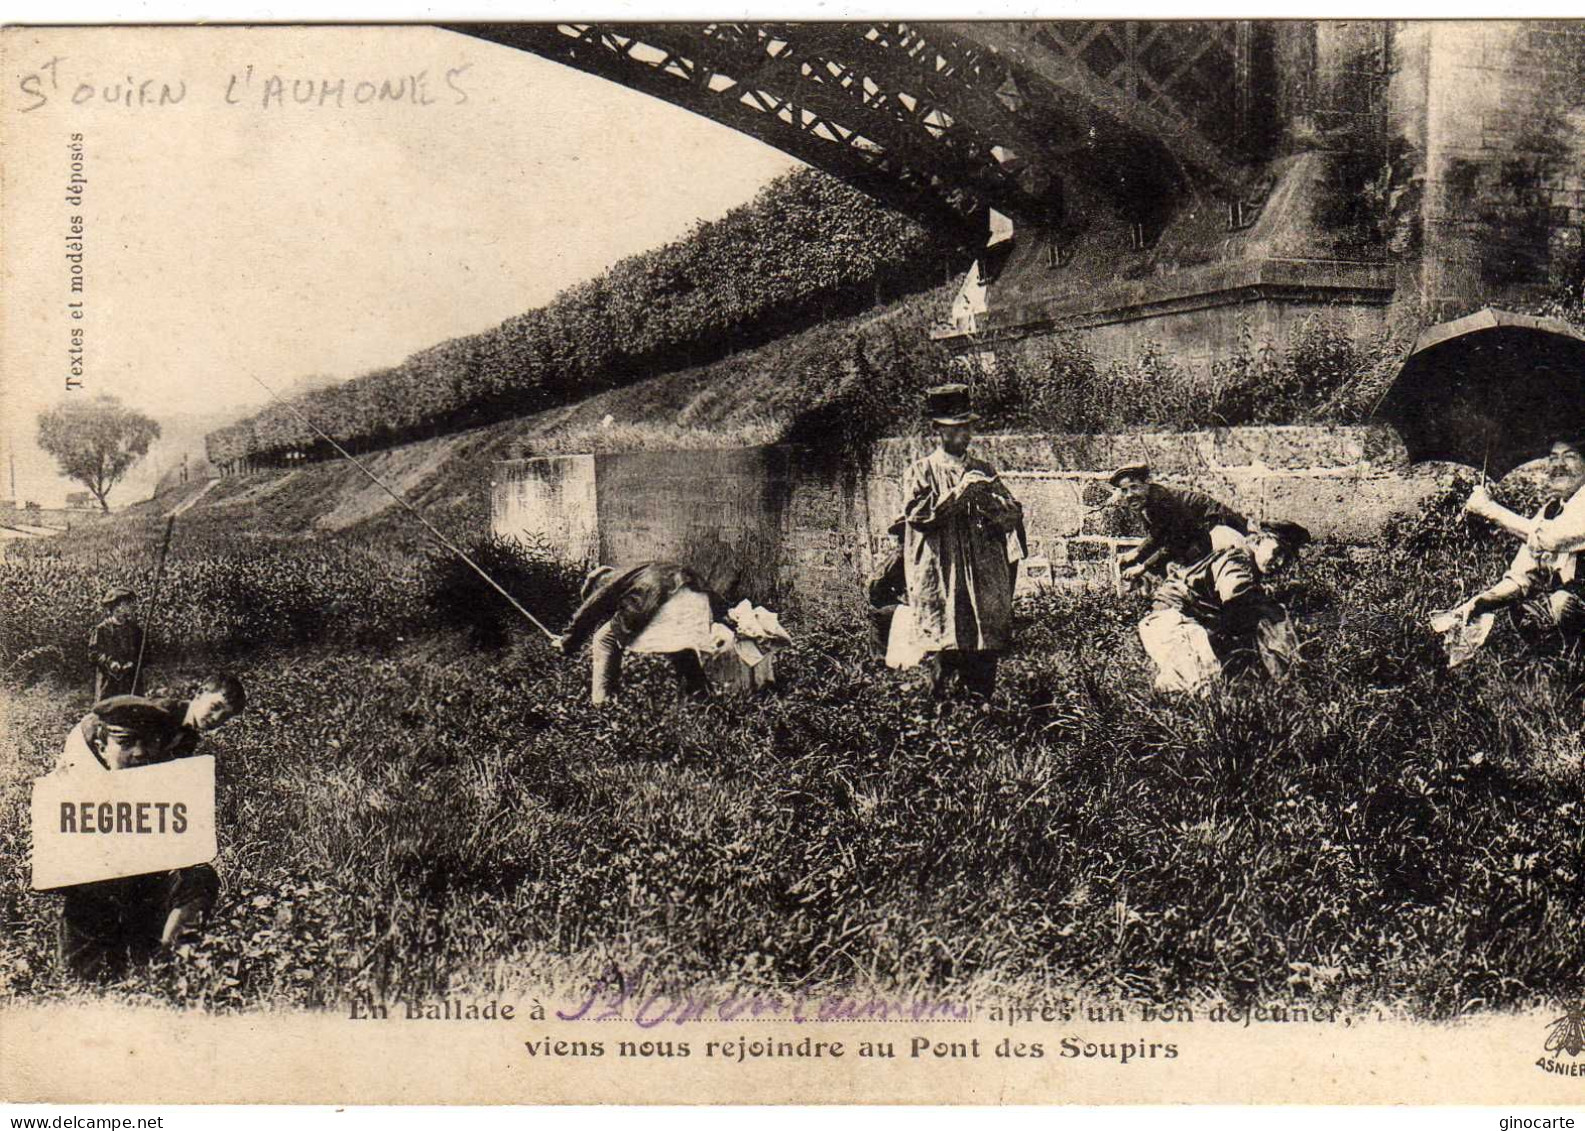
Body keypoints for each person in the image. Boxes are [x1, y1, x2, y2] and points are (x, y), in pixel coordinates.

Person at [52, 682, 245, 980]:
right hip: (97, 874)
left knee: (195, 879)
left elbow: (163, 779)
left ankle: (164, 959)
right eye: (216, 706)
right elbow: (100, 731)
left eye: (226, 715)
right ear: (198, 695)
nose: (218, 717)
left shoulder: (186, 735)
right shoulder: (164, 713)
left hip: (145, 871)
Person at [897, 383, 1024, 699]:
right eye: (956, 428)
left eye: (967, 427)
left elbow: (1012, 515)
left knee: (984, 641)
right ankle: (945, 718)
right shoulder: (921, 470)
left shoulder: (983, 468)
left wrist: (1003, 509)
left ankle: (982, 709)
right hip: (945, 568)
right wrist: (958, 493)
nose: (964, 434)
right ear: (937, 429)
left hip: (983, 568)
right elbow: (919, 516)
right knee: (948, 638)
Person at [1137, 520, 1311, 696]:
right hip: (1171, 623)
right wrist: (1269, 611)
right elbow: (1236, 594)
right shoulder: (1237, 559)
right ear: (1258, 541)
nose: (1280, 563)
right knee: (1207, 691)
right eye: (1277, 551)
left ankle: (1291, 681)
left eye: (1286, 559)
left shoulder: (1246, 564)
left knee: (1234, 683)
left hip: (1182, 623)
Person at [1450, 437, 1585, 650]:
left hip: (1574, 601)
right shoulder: (1550, 511)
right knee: (1522, 608)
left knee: (1562, 602)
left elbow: (1552, 539)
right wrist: (1480, 602)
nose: (1559, 465)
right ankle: (1559, 665)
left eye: (1569, 457)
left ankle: (1573, 662)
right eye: (1553, 458)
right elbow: (1523, 573)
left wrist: (1490, 510)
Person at [553, 562, 728, 706]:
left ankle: (601, 704)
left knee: (603, 639)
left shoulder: (610, 580)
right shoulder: (643, 570)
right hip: (697, 600)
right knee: (682, 651)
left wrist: (567, 642)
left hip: (660, 600)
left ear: (597, 584)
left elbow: (590, 611)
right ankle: (706, 702)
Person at [1110, 464, 1248, 582]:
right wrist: (1137, 552)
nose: (1129, 494)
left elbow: (1175, 542)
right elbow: (1158, 533)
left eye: (1134, 487)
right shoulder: (1144, 501)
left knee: (1222, 571)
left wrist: (1144, 566)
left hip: (1217, 524)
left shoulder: (1163, 502)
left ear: (1148, 482)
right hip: (1196, 532)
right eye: (1124, 490)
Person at [89, 586, 144, 699]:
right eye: (126, 604)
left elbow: (144, 653)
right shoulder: (102, 630)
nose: (130, 607)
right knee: (108, 710)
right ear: (115, 607)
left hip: (131, 681)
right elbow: (94, 653)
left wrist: (133, 662)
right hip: (109, 681)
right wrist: (110, 663)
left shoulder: (135, 630)